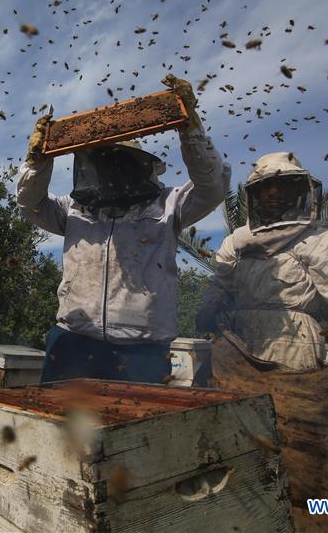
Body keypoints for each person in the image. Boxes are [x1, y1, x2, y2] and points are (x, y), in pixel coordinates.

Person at [17, 75, 230, 384]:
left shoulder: (169, 204)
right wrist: (37, 161)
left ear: (137, 164)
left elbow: (211, 188)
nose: (111, 168)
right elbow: (30, 203)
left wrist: (190, 128)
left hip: (142, 350)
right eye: (105, 161)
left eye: (120, 161)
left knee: (133, 431)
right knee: (58, 428)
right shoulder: (72, 209)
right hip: (73, 340)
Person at [196, 151, 328, 398]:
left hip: (296, 348)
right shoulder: (237, 243)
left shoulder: (321, 243)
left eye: (284, 185)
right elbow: (220, 284)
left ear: (300, 192)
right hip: (237, 346)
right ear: (255, 194)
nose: (274, 192)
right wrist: (209, 307)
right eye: (267, 186)